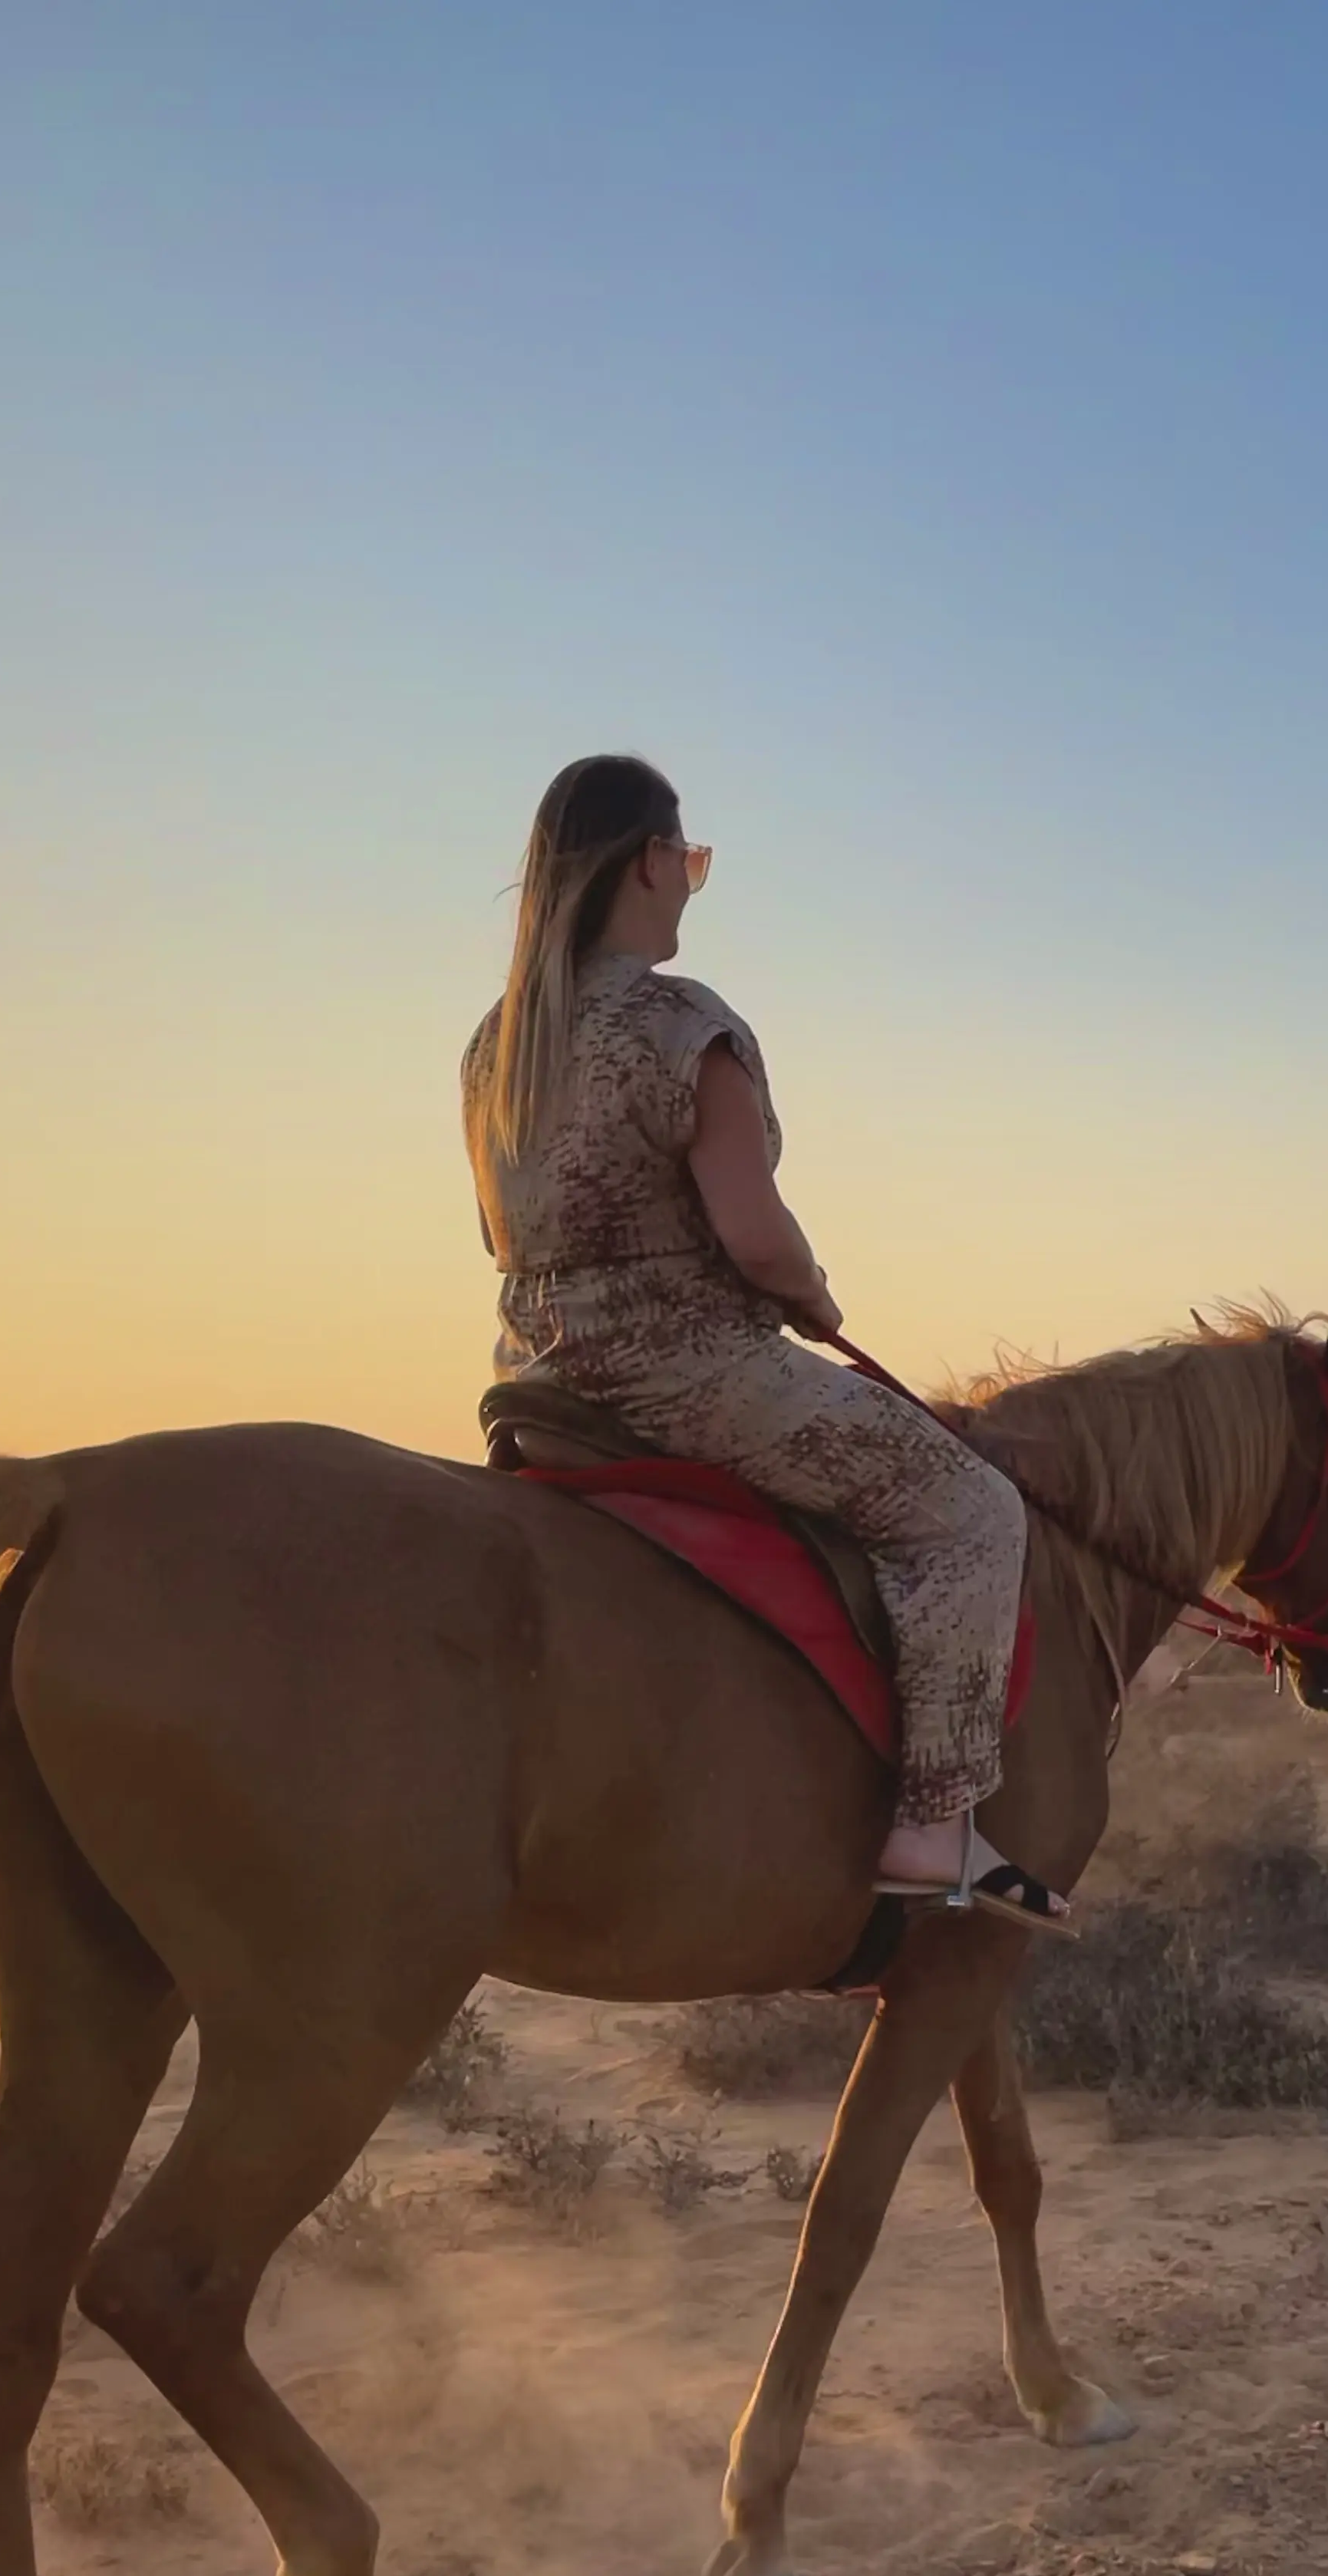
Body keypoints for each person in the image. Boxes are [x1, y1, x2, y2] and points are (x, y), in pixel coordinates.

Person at [462, 753, 1068, 1931]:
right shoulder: (684, 1024)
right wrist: (813, 1295)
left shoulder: (498, 1044)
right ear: (647, 862)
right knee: (974, 1512)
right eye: (688, 862)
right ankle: (934, 1825)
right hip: (691, 1378)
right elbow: (754, 1236)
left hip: (534, 1379)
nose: (690, 886)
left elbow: (501, 1230)